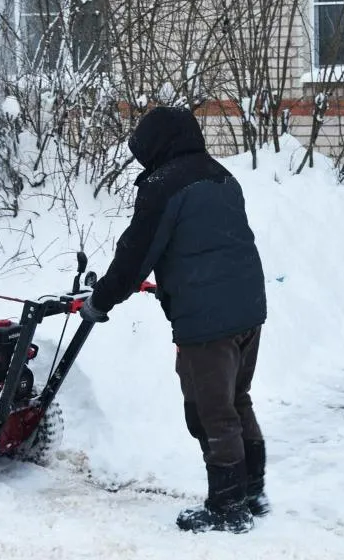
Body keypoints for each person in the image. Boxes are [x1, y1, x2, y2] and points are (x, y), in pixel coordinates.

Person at [79, 106, 269, 534]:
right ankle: (252, 492)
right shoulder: (220, 174)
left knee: (210, 410)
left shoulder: (164, 185)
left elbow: (135, 256)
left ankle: (227, 508)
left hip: (208, 319)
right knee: (237, 398)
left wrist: (101, 300)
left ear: (157, 145)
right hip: (248, 306)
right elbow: (207, 244)